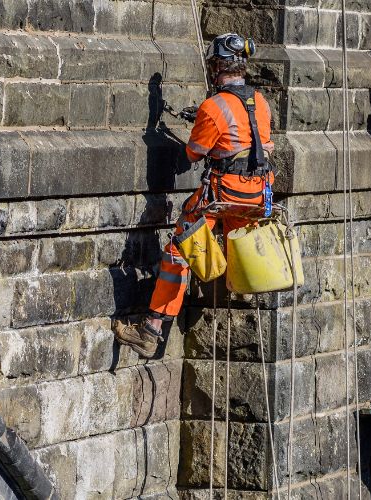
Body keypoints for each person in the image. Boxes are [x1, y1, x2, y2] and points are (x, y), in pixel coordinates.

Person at [114, 33, 276, 358]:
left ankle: (152, 328)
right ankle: (239, 283)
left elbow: (192, 153)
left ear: (216, 66)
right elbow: (255, 144)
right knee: (234, 242)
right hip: (257, 195)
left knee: (180, 246)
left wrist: (199, 123)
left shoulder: (214, 106)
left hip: (223, 193)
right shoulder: (260, 101)